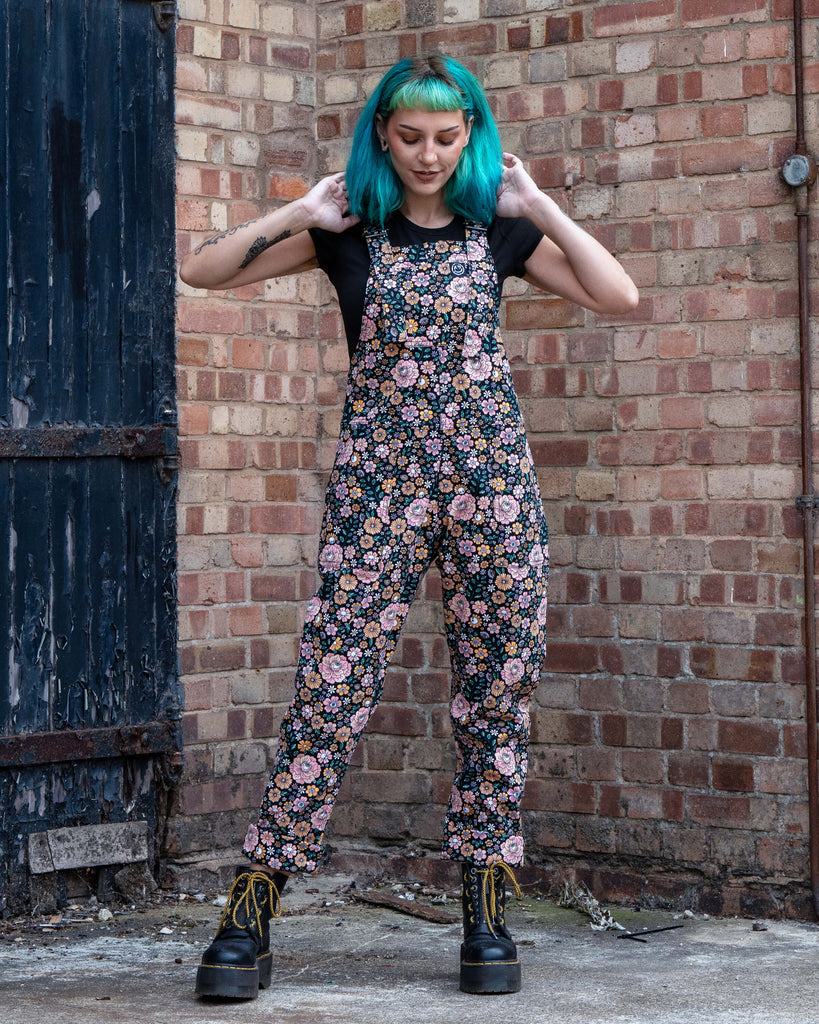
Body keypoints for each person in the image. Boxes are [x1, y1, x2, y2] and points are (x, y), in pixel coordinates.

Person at [181, 52, 638, 999]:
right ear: (381, 137)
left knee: (495, 693)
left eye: (445, 136)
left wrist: (541, 206)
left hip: (493, 491)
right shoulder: (348, 232)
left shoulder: (498, 235)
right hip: (376, 492)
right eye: (409, 137)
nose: (428, 155)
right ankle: (252, 908)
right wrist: (297, 216)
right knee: (330, 689)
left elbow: (616, 294)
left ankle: (485, 907)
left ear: (469, 136)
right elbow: (203, 271)